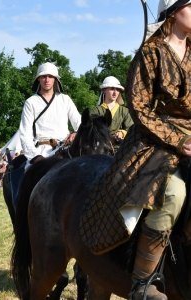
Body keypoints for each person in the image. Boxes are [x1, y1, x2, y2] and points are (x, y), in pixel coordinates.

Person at [79, 1, 191, 299]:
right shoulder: (150, 52)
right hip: (154, 140)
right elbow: (140, 108)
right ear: (172, 11)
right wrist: (179, 140)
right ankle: (143, 282)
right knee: (173, 194)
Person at [19, 62, 81, 164]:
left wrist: (76, 133)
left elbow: (80, 124)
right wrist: (35, 156)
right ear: (38, 78)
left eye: (50, 76)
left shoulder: (65, 99)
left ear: (55, 79)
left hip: (64, 149)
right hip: (40, 151)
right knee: (31, 178)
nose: (47, 80)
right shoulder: (30, 102)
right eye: (43, 76)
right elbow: (25, 134)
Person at [90, 76, 133, 150]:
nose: (115, 92)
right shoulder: (96, 111)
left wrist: (122, 133)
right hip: (99, 150)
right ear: (104, 90)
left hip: (120, 150)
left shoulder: (124, 111)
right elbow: (90, 130)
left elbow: (132, 129)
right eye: (112, 89)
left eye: (117, 89)